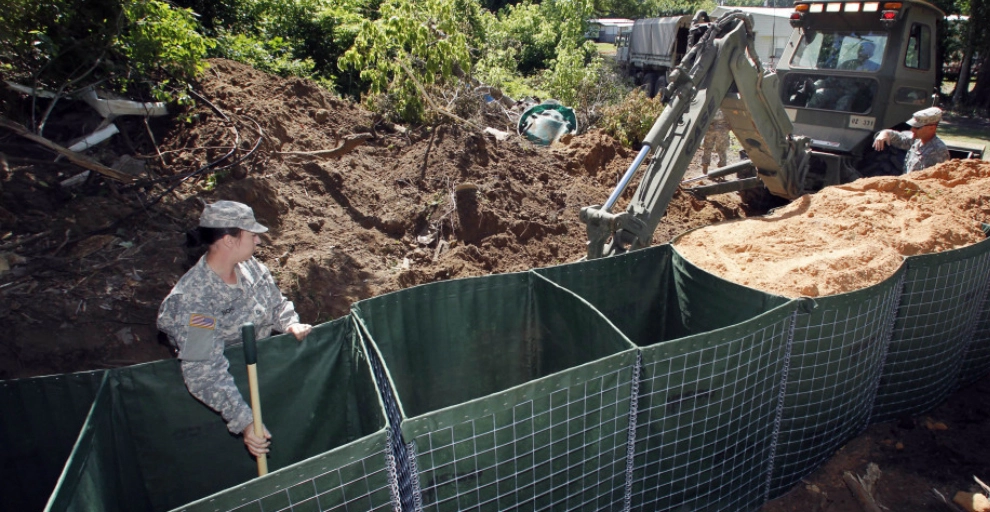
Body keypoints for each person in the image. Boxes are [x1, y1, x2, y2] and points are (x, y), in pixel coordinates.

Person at [158, 200, 312, 458]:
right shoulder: (194, 301)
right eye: (252, 235)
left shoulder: (250, 267)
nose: (258, 242)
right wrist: (245, 422)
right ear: (229, 240)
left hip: (262, 381)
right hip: (226, 400)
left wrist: (290, 323)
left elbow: (275, 303)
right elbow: (203, 372)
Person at [872, 106, 950, 173]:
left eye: (917, 128)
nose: (912, 130)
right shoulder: (916, 141)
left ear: (931, 128)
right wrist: (884, 133)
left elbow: (938, 178)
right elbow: (900, 138)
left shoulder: (939, 151)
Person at [701, 109, 731, 175]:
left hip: (721, 127)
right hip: (714, 127)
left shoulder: (725, 102)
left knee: (720, 149)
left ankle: (722, 168)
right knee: (709, 147)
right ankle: (706, 165)